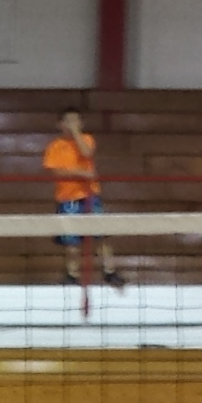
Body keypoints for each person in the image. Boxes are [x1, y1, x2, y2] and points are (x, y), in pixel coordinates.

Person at [42, 106, 123, 287]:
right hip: (67, 199)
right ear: (60, 124)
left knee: (100, 235)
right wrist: (80, 173)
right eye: (68, 121)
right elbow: (56, 171)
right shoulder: (54, 147)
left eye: (75, 121)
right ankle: (72, 274)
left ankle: (110, 271)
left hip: (89, 196)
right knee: (71, 240)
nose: (72, 124)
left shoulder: (87, 139)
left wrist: (76, 133)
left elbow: (87, 153)